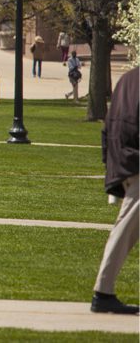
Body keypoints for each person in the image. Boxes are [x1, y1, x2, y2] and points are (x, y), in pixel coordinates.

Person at [91, 67, 138, 314]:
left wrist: (109, 166)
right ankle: (103, 291)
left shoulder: (127, 80)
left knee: (126, 226)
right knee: (126, 228)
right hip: (136, 165)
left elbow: (107, 127)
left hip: (125, 163)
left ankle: (104, 290)